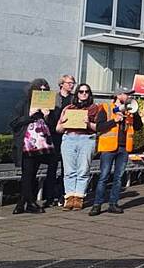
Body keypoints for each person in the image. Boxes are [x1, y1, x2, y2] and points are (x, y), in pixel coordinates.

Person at [89, 86, 143, 216]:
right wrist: (115, 121)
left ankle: (113, 204)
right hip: (108, 147)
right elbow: (99, 127)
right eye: (127, 94)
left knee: (118, 178)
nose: (130, 97)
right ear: (118, 95)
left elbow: (138, 127)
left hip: (124, 148)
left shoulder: (130, 110)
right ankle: (97, 204)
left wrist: (135, 114)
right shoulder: (106, 108)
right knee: (103, 176)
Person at [9, 79, 56, 214]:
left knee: (32, 173)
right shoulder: (24, 103)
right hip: (27, 144)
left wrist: (47, 116)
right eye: (39, 90)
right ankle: (30, 202)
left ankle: (22, 203)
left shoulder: (48, 106)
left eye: (44, 90)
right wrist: (29, 114)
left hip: (41, 144)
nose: (42, 93)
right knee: (27, 173)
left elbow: (52, 126)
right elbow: (13, 122)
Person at [55, 83, 101, 211]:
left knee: (83, 170)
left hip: (86, 139)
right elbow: (58, 129)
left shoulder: (95, 108)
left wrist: (88, 124)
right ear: (77, 94)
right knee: (69, 170)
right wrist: (63, 122)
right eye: (81, 91)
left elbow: (99, 128)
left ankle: (79, 198)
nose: (84, 94)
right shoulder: (69, 108)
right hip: (69, 138)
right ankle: (69, 197)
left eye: (86, 91)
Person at [44, 74, 76, 207]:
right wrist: (46, 115)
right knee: (52, 167)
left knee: (66, 168)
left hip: (68, 135)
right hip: (54, 136)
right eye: (69, 83)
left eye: (73, 83)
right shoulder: (54, 98)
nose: (71, 85)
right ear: (61, 84)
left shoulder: (74, 99)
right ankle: (49, 197)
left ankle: (63, 195)